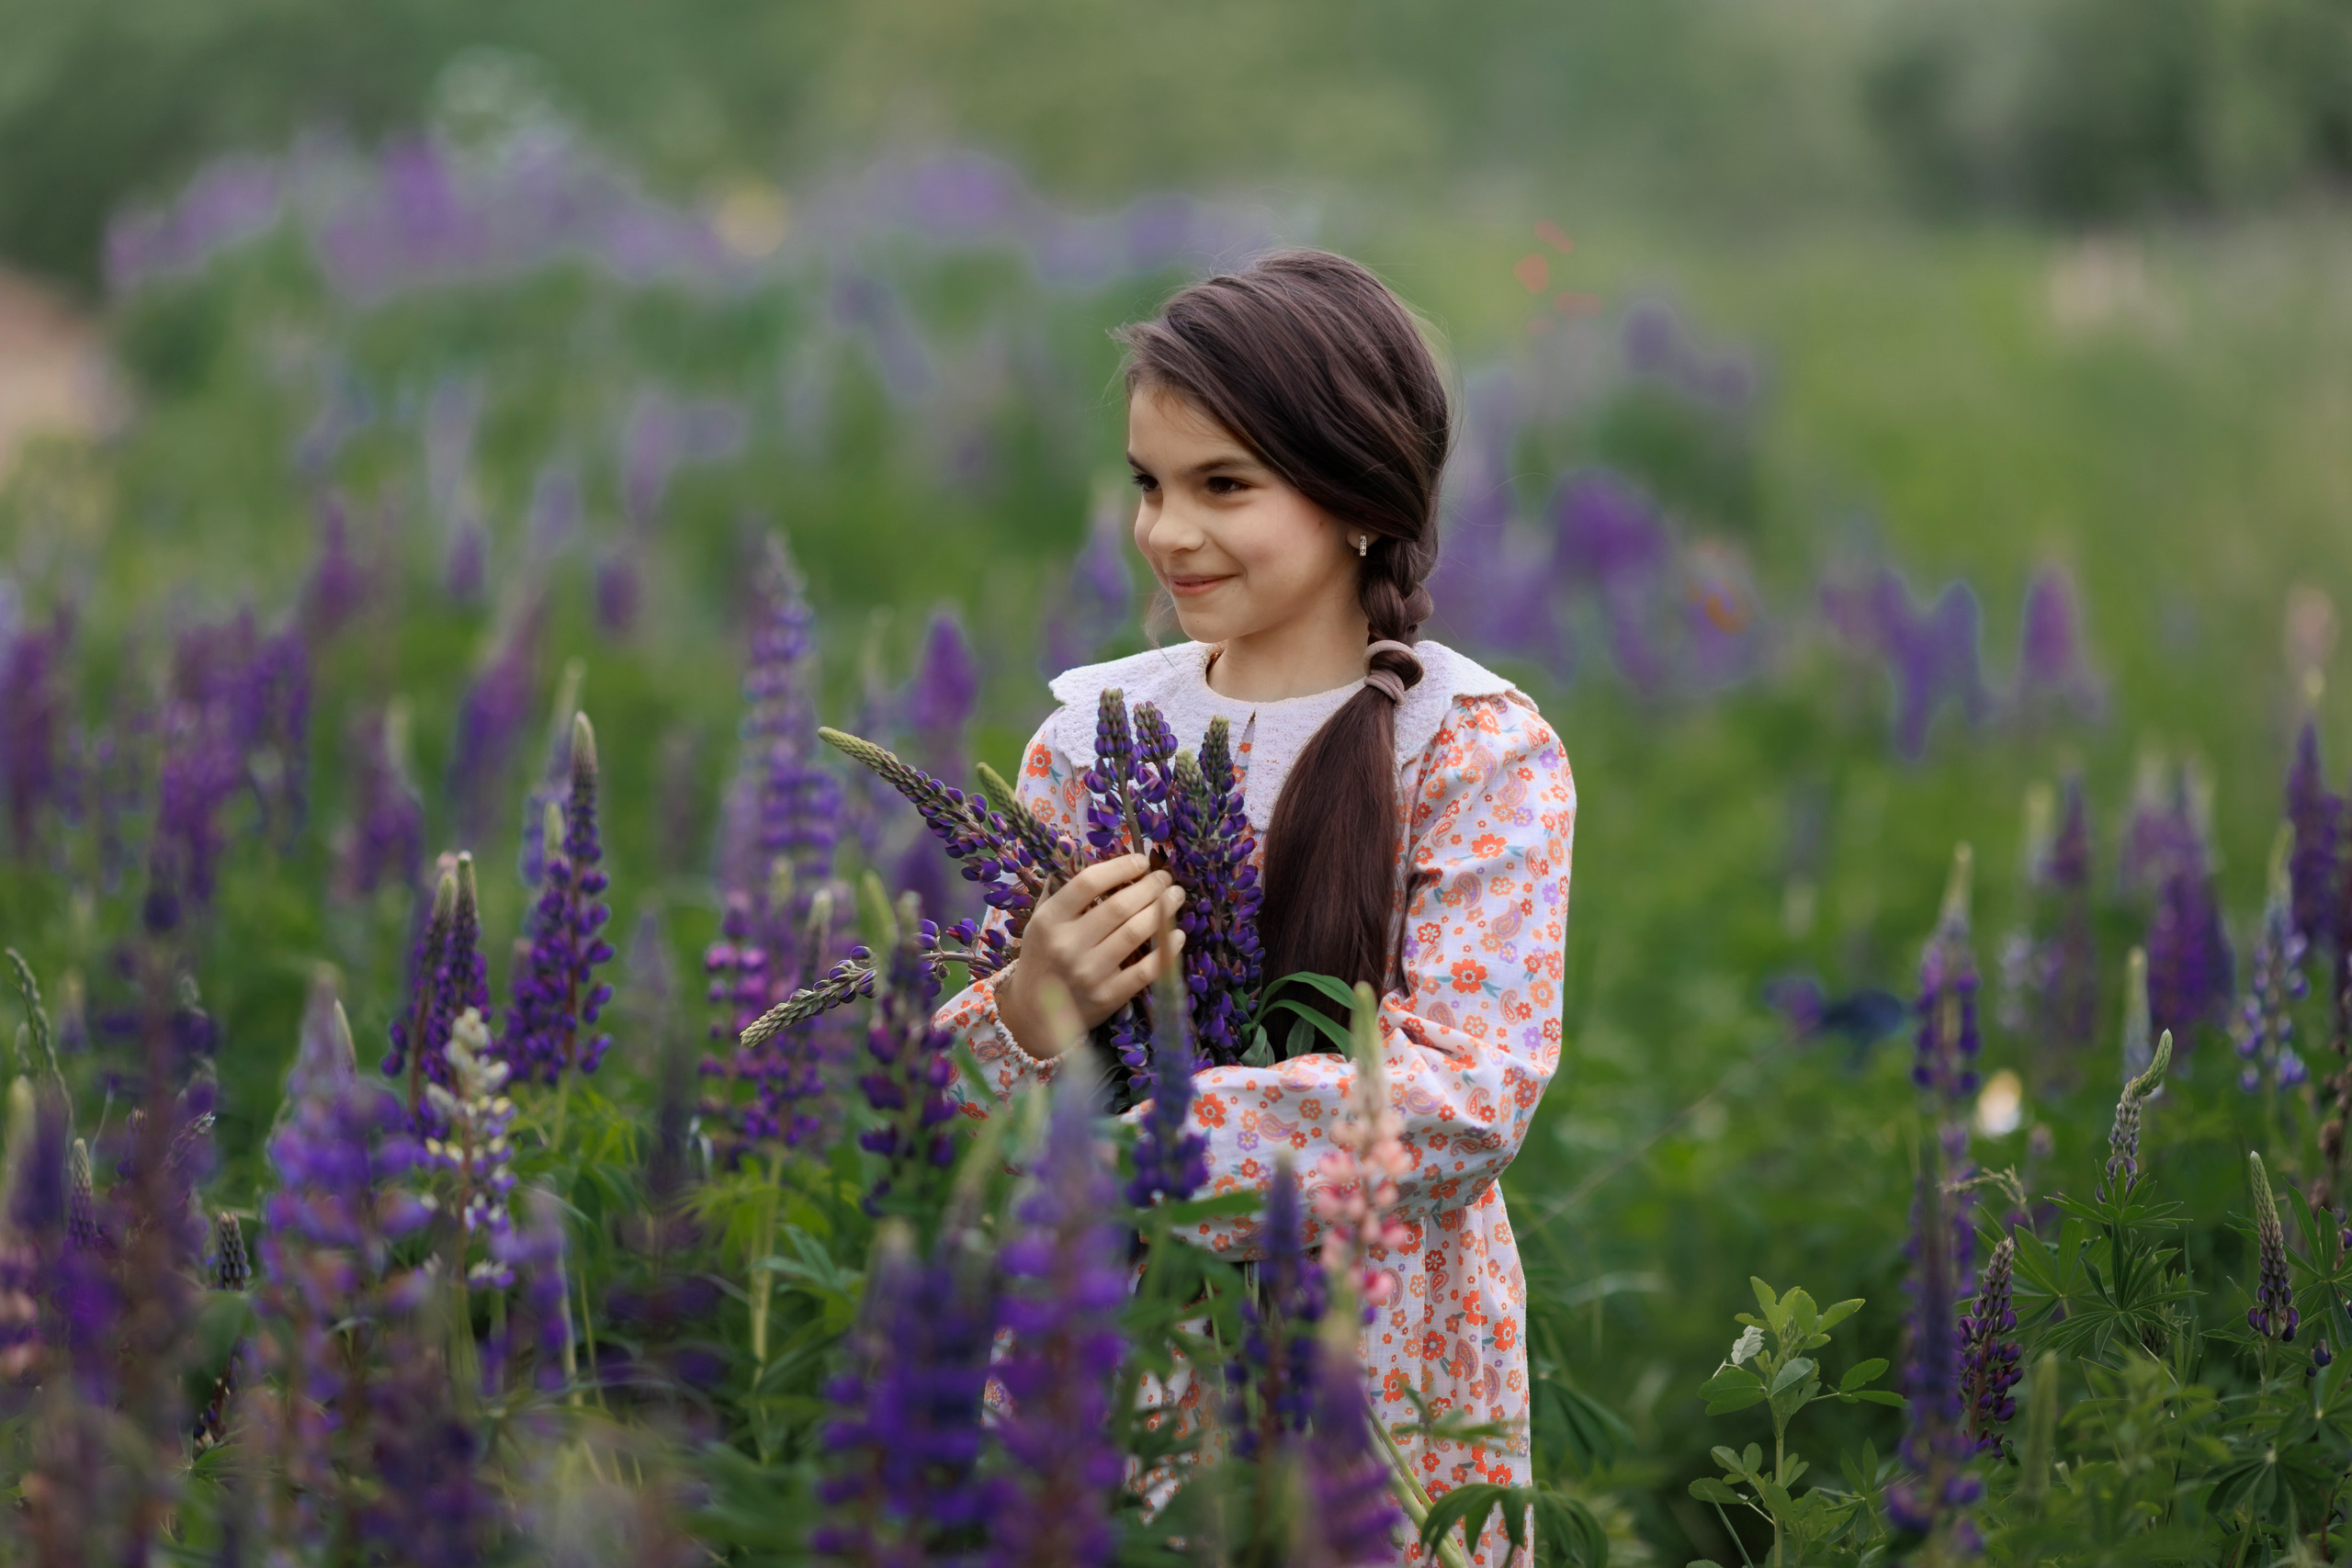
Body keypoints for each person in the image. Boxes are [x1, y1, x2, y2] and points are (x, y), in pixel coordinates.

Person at [935, 249, 1576, 1567]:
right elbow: (948, 1111)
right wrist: (1024, 1010)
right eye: (1149, 486)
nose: (1169, 531)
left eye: (1224, 485)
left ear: (1357, 495)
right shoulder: (1095, 736)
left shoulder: (1474, 751)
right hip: (1114, 1371)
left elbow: (1463, 1096)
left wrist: (1135, 1153)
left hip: (1376, 1376)